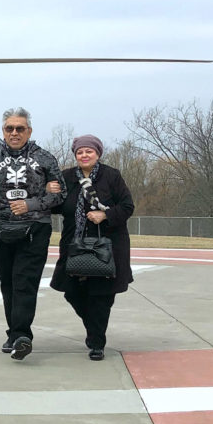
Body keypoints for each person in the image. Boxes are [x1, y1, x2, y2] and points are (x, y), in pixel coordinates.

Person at [0, 107, 64, 360]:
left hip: (34, 229)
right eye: (10, 128)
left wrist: (31, 204)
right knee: (7, 284)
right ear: (3, 131)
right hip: (0, 229)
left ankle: (22, 335)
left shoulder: (45, 158)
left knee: (24, 282)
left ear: (29, 131)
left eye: (20, 128)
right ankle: (14, 333)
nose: (15, 132)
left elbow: (60, 193)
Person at [50, 135, 134, 360]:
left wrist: (105, 214)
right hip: (74, 245)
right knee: (71, 292)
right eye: (80, 152)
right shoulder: (67, 177)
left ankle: (97, 343)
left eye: (89, 151)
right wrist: (50, 191)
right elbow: (55, 207)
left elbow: (127, 206)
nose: (84, 155)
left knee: (101, 296)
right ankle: (93, 329)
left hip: (107, 246)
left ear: (97, 153)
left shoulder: (111, 176)